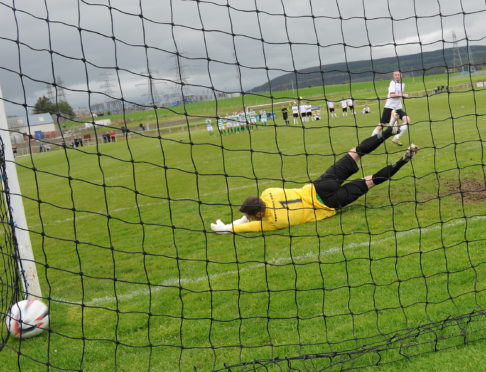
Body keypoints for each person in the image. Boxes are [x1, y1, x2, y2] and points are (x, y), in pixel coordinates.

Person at [210, 125, 418, 233]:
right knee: (355, 153)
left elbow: (248, 226)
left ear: (259, 213)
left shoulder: (274, 223)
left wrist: (228, 227)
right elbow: (253, 216)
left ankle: (403, 159)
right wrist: (246, 215)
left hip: (329, 203)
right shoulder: (268, 193)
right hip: (319, 185)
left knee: (369, 181)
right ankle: (388, 132)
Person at [371, 70, 411, 146]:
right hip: (389, 108)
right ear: (393, 76)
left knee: (407, 120)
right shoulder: (392, 83)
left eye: (398, 75)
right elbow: (392, 95)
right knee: (381, 126)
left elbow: (398, 95)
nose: (397, 76)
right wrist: (403, 95)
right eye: (395, 75)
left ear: (401, 75)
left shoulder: (403, 84)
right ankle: (371, 140)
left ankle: (396, 137)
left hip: (398, 108)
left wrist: (403, 96)